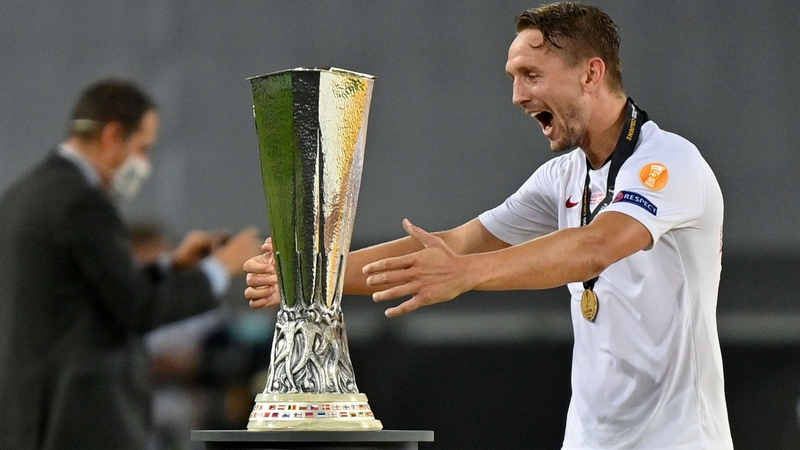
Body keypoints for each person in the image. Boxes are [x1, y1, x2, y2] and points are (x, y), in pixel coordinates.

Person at [243, 2, 733, 449]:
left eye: (532, 75)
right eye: (513, 78)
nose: (518, 96)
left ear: (591, 73)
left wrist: (468, 273)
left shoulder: (669, 162)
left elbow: (595, 247)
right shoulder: (563, 176)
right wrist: (308, 279)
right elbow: (459, 243)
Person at [0, 79, 263, 450]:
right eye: (143, 148)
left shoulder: (25, 193)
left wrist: (171, 265)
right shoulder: (81, 201)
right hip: (76, 423)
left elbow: (89, 292)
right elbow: (139, 307)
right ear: (112, 136)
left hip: (30, 418)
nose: (144, 163)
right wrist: (219, 269)